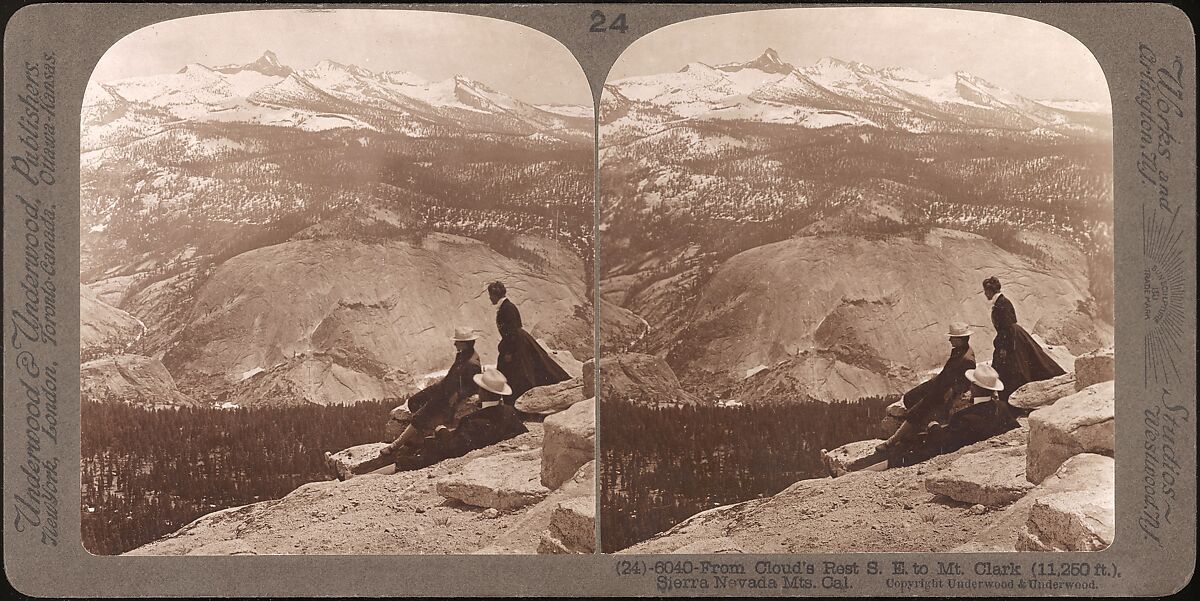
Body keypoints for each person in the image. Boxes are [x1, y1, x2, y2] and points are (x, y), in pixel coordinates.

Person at [876, 321, 977, 454]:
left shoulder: (966, 359)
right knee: (910, 397)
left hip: (944, 393)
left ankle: (892, 442)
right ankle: (913, 434)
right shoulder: (960, 351)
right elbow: (947, 374)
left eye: (952, 337)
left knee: (918, 410)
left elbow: (963, 384)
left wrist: (946, 396)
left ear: (960, 339)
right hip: (940, 385)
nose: (949, 339)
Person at [983, 276, 1067, 408]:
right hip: (1011, 337)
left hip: (1010, 339)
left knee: (1014, 369)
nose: (985, 294)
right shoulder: (1001, 302)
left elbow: (1007, 327)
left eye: (985, 291)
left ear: (989, 290)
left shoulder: (1001, 304)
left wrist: (1004, 348)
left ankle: (1012, 402)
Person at [488, 281, 570, 404]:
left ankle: (516, 402)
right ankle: (512, 401)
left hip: (516, 344)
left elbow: (512, 330)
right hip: (515, 342)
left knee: (520, 373)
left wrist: (509, 352)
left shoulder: (507, 308)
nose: (490, 298)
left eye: (490, 295)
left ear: (495, 295)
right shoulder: (505, 306)